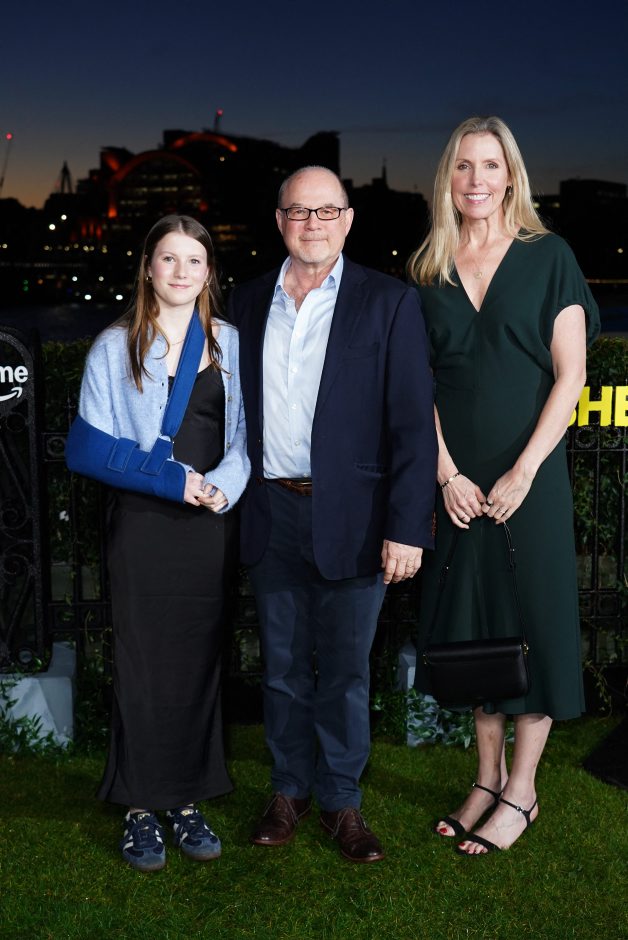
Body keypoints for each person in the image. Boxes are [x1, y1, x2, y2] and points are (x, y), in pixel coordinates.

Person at [229, 166, 437, 863]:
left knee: (347, 670)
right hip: (270, 511)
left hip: (355, 518)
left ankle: (341, 799)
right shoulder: (246, 301)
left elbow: (412, 426)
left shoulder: (389, 302)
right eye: (298, 211)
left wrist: (407, 528)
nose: (311, 224)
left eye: (326, 211)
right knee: (282, 667)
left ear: (347, 219)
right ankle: (288, 790)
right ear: (279, 220)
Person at [409, 116, 600, 855]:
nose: (477, 180)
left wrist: (524, 470)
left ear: (512, 176)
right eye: (464, 166)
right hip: (458, 483)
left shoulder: (550, 256)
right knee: (473, 628)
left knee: (535, 621)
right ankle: (485, 780)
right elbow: (415, 388)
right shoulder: (428, 270)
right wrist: (445, 473)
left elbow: (571, 376)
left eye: (491, 165)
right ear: (448, 179)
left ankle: (522, 792)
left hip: (531, 479)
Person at [69, 215, 249, 871]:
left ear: (208, 273)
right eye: (168, 258)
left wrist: (223, 487)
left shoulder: (229, 342)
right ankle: (140, 807)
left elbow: (246, 438)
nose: (181, 271)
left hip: (209, 527)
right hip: (143, 527)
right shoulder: (113, 346)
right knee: (142, 664)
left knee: (199, 662)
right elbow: (87, 449)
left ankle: (187, 799)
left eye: (194, 260)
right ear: (148, 267)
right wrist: (176, 482)